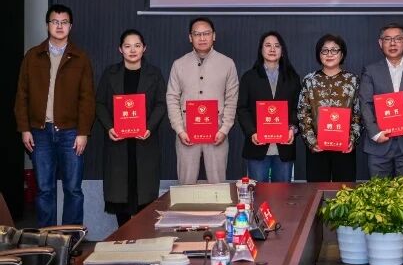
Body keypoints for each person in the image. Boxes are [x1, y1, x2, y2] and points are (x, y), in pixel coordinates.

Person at [14, 4, 95, 226]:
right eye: (55, 22)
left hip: (71, 132)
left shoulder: (80, 58)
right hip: (39, 132)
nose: (59, 26)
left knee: (73, 189)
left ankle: (71, 239)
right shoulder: (33, 56)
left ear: (71, 26)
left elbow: (87, 99)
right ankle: (47, 240)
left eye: (64, 22)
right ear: (47, 25)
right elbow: (22, 95)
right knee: (44, 189)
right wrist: (24, 129)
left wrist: (83, 132)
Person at [95, 29, 167, 226]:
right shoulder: (110, 73)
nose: (132, 50)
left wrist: (149, 127)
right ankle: (124, 235)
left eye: (137, 46)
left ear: (144, 48)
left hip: (144, 142)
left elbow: (161, 104)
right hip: (118, 143)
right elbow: (99, 103)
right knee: (120, 194)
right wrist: (109, 127)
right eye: (127, 46)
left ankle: (142, 237)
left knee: (144, 194)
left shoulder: (154, 74)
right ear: (120, 49)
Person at [166, 17, 239, 184]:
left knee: (217, 186)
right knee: (186, 185)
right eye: (197, 34)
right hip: (186, 133)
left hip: (217, 133)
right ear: (190, 37)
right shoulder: (179, 64)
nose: (202, 38)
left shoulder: (227, 64)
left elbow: (232, 98)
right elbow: (172, 98)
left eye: (206, 33)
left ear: (214, 36)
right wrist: (180, 130)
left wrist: (224, 129)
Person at [359, 23, 403, 178]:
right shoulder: (370, 70)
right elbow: (365, 104)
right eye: (387, 39)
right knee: (378, 191)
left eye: (398, 39)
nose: (393, 43)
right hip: (379, 143)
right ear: (380, 43)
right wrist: (375, 133)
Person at [237, 31, 301, 182]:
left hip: (284, 147)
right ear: (261, 50)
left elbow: (297, 108)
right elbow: (242, 109)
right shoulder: (249, 77)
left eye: (277, 46)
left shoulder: (292, 78)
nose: (272, 49)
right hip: (257, 145)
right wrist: (252, 132)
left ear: (282, 51)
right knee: (259, 192)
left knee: (283, 193)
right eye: (268, 45)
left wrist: (292, 128)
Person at [297, 34, 361, 182]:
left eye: (334, 50)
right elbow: (303, 113)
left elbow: (358, 113)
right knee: (316, 190)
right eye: (324, 50)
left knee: (345, 191)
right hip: (317, 146)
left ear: (342, 54)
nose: (329, 54)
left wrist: (352, 139)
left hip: (344, 146)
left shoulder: (353, 80)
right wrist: (312, 141)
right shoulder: (309, 80)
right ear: (319, 55)